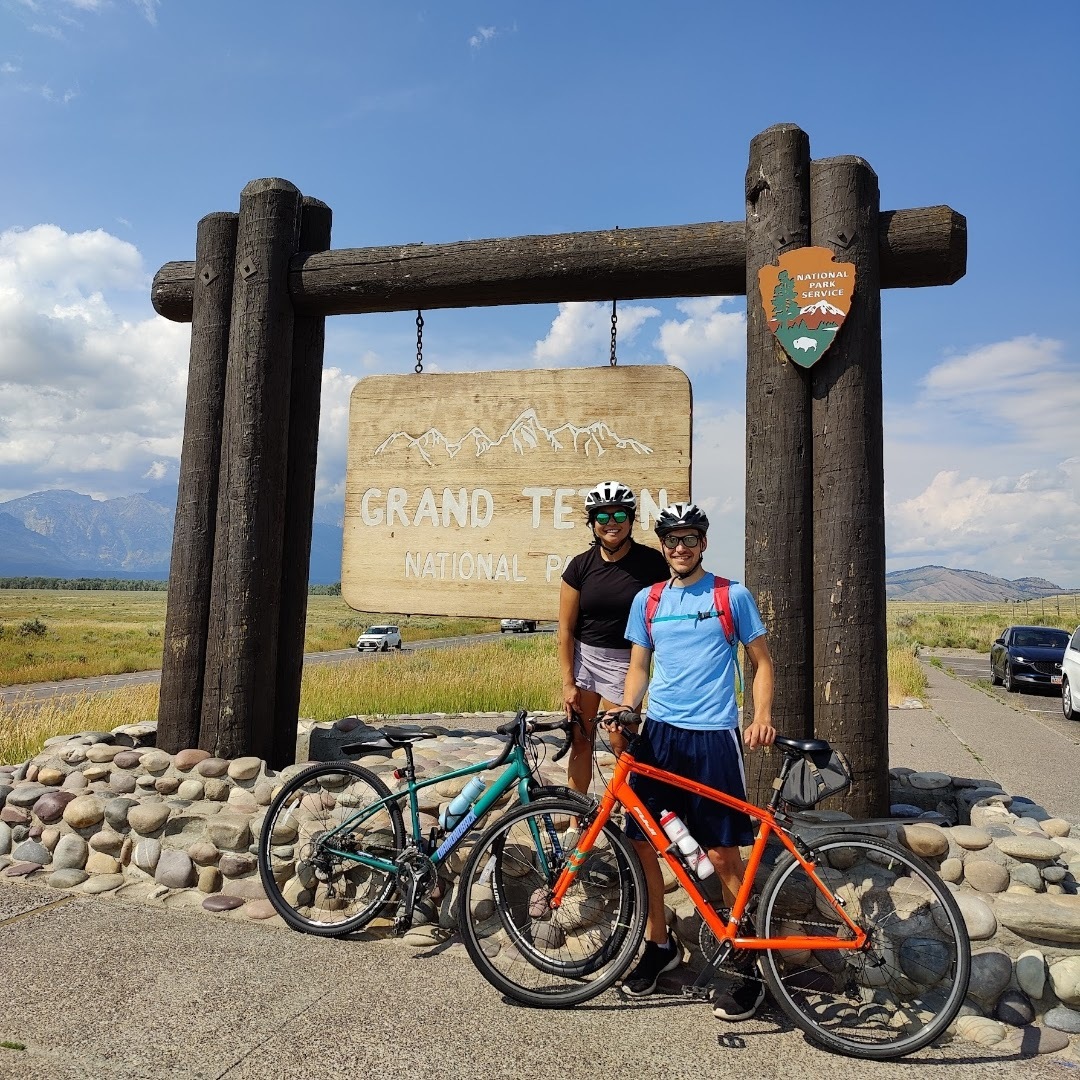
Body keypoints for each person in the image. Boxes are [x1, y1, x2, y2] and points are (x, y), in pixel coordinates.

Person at [603, 501, 775, 1020]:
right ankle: (659, 946)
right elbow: (638, 668)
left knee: (723, 855)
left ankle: (746, 963)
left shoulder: (731, 595)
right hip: (659, 737)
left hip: (713, 740)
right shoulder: (648, 600)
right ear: (663, 545)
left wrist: (760, 715)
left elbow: (762, 661)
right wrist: (628, 709)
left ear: (703, 542)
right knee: (643, 845)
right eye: (672, 539)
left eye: (690, 538)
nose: (681, 547)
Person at [559, 481, 670, 800]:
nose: (612, 523)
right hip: (585, 662)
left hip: (628, 662)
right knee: (580, 740)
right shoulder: (580, 566)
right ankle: (576, 820)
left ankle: (629, 816)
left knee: (623, 743)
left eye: (619, 514)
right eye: (603, 516)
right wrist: (568, 682)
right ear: (592, 523)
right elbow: (565, 629)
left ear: (631, 519)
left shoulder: (651, 564)